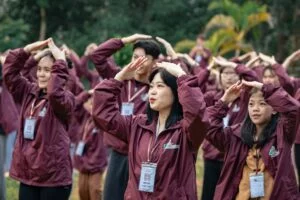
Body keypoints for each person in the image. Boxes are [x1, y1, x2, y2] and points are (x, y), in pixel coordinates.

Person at [92, 59, 207, 199]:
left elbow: (197, 114)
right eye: (151, 86)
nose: (152, 92)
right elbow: (104, 114)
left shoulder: (186, 130)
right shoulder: (138, 124)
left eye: (160, 86)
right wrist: (118, 79)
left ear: (176, 92)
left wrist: (181, 76)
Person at [90, 34, 161, 200]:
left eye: (143, 59)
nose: (137, 62)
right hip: (118, 152)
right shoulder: (119, 76)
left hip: (143, 154)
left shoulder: (157, 86)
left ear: (154, 62)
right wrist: (125, 40)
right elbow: (97, 56)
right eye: (135, 57)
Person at [3, 38, 74, 200]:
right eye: (40, 69)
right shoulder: (29, 91)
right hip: (29, 175)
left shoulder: (66, 99)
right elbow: (10, 73)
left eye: (48, 70)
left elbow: (55, 92)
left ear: (58, 73)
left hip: (53, 179)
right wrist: (28, 51)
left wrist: (61, 61)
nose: (41, 74)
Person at [205, 79, 300, 199]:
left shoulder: (282, 134)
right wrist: (223, 102)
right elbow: (208, 127)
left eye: (262, 104)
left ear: (275, 109)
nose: (255, 108)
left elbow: (293, 109)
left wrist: (265, 88)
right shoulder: (235, 135)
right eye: (251, 104)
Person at [201, 57, 258, 200]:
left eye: (233, 73)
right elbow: (194, 88)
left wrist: (231, 64)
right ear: (219, 76)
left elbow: (253, 77)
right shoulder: (212, 97)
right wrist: (208, 69)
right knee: (208, 195)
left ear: (239, 76)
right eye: (225, 73)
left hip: (235, 157)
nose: (229, 77)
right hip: (212, 157)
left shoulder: (246, 98)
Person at [73, 94, 108, 200]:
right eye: (91, 103)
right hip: (83, 164)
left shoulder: (103, 121)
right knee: (82, 192)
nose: (93, 107)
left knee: (95, 192)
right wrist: (87, 94)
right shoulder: (84, 117)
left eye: (96, 105)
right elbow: (74, 105)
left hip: (95, 166)